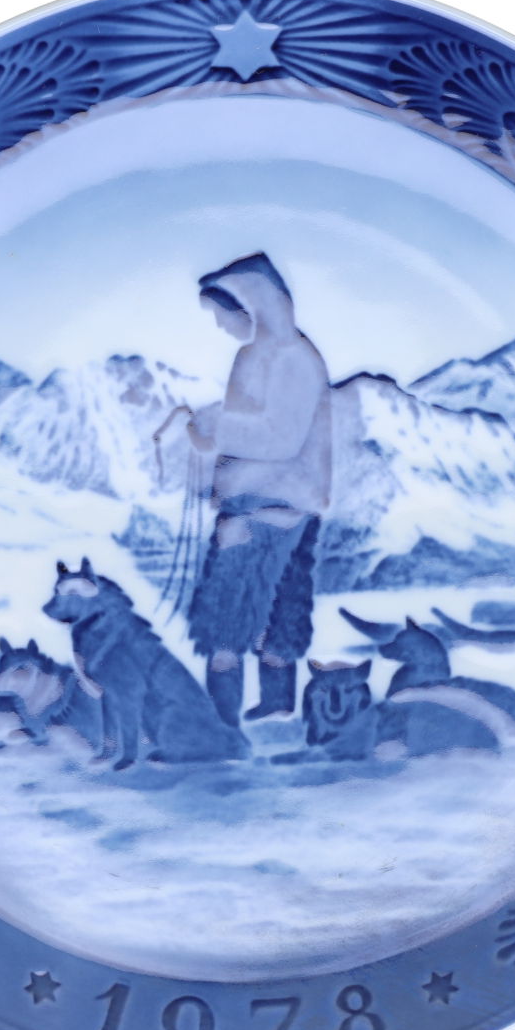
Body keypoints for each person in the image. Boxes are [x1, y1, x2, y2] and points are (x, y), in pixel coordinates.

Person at [185, 253, 332, 724]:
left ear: (255, 306)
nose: (221, 325)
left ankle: (220, 721)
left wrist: (215, 425)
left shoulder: (293, 360)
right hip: (265, 503)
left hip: (268, 507)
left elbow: (281, 438)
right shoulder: (257, 356)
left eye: (224, 314)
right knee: (278, 608)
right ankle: (276, 706)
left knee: (228, 613)